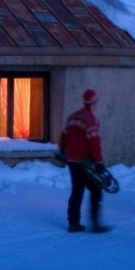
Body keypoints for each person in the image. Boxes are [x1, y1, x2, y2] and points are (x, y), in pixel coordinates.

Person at [58, 89, 108, 233]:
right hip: (86, 162)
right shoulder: (90, 119)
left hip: (72, 161)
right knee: (96, 190)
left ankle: (73, 223)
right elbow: (94, 141)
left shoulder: (72, 117)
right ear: (94, 102)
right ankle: (95, 222)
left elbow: (64, 135)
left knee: (77, 191)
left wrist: (62, 150)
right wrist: (99, 161)